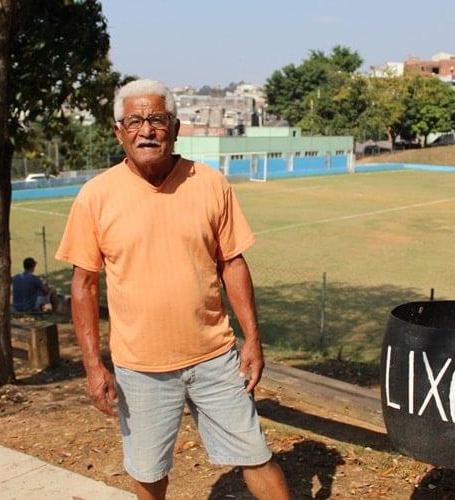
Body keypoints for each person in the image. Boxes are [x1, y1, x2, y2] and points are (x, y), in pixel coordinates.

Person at [55, 79, 290, 500]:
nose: (147, 130)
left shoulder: (210, 183)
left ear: (176, 127)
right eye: (135, 121)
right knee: (148, 472)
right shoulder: (96, 196)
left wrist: (252, 338)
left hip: (215, 358)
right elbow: (84, 285)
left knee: (255, 454)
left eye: (157, 119)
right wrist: (93, 365)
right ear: (118, 132)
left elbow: (232, 262)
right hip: (139, 367)